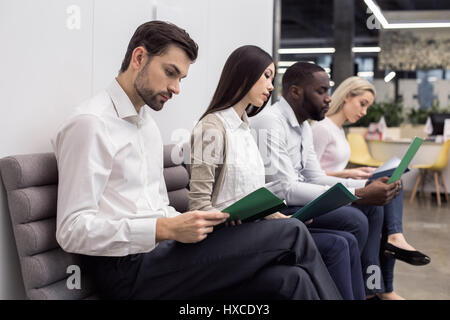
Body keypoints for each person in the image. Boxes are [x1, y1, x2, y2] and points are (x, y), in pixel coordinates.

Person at [52, 21, 341, 300]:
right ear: (139, 58)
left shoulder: (146, 126)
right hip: (128, 271)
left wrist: (192, 222)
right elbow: (72, 230)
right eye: (170, 72)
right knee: (291, 232)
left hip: (162, 251)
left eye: (181, 78)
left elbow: (156, 205)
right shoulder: (91, 123)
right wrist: (163, 229)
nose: (176, 88)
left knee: (291, 280)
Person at [188, 45, 364, 300]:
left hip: (251, 227)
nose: (271, 86)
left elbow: (250, 193)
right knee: (298, 231)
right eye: (266, 76)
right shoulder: (212, 128)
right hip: (224, 236)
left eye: (272, 77)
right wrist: (228, 216)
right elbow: (198, 205)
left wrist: (275, 215)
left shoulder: (245, 128)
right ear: (244, 75)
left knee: (325, 237)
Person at [251, 62, 403, 299]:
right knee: (355, 221)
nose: (328, 99)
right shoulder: (270, 122)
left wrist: (364, 186)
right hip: (279, 209)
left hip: (297, 200)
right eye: (321, 91)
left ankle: (367, 289)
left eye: (328, 91)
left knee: (355, 228)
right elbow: (284, 190)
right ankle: (364, 286)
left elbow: (315, 176)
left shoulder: (304, 127)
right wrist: (359, 194)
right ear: (295, 92)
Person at [311, 76, 431, 300]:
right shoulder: (321, 128)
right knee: (384, 193)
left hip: (341, 186)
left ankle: (382, 286)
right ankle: (392, 247)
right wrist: (348, 173)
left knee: (386, 191)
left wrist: (353, 171)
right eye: (362, 103)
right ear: (347, 96)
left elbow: (328, 167)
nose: (364, 112)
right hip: (326, 193)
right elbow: (309, 174)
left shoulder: (338, 130)